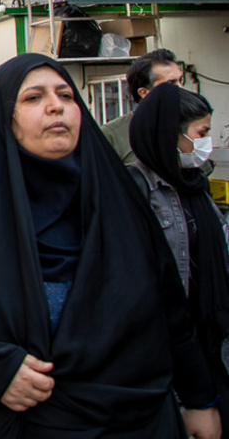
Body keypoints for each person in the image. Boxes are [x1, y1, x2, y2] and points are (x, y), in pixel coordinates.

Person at [0, 55, 220, 439]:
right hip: (20, 425)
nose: (56, 105)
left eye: (66, 95)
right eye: (33, 98)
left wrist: (199, 399)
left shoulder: (118, 202)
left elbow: (170, 308)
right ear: (5, 118)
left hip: (137, 418)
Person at [127, 84, 229, 428]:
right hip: (165, 352)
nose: (206, 144)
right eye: (201, 134)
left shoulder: (195, 186)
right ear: (171, 134)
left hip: (209, 344)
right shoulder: (135, 190)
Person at [100, 48, 185, 165]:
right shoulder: (112, 135)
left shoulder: (187, 126)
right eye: (171, 83)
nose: (180, 88)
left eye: (181, 81)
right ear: (144, 92)